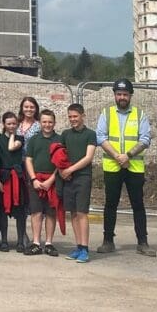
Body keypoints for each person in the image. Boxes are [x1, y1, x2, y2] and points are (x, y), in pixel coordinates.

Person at [96, 79, 156, 257]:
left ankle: (142, 242)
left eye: (125, 94)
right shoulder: (106, 113)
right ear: (115, 95)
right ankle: (108, 241)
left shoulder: (139, 114)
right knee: (110, 205)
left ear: (130, 95)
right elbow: (100, 137)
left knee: (138, 205)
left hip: (134, 167)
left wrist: (127, 156)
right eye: (119, 94)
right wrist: (117, 156)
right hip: (113, 167)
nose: (122, 97)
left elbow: (145, 139)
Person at [60, 103, 97, 263]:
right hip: (68, 179)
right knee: (73, 213)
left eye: (75, 116)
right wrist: (63, 171)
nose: (72, 119)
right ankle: (78, 246)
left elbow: (88, 157)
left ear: (82, 116)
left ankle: (85, 248)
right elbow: (60, 154)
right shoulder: (65, 134)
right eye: (70, 117)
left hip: (82, 177)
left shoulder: (90, 134)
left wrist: (70, 170)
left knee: (82, 213)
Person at [25, 109, 61, 256]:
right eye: (44, 122)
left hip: (52, 181)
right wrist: (33, 179)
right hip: (36, 181)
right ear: (40, 123)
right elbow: (29, 159)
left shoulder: (59, 140)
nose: (47, 124)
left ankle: (49, 243)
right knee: (36, 212)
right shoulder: (34, 140)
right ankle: (35, 243)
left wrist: (51, 180)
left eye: (50, 122)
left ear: (54, 123)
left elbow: (61, 163)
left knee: (51, 213)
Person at [0, 111, 27, 252]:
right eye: (8, 124)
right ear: (3, 124)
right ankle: (4, 240)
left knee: (20, 210)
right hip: (4, 177)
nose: (11, 126)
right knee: (3, 211)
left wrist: (13, 134)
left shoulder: (20, 138)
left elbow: (11, 147)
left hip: (17, 176)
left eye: (14, 124)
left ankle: (20, 241)